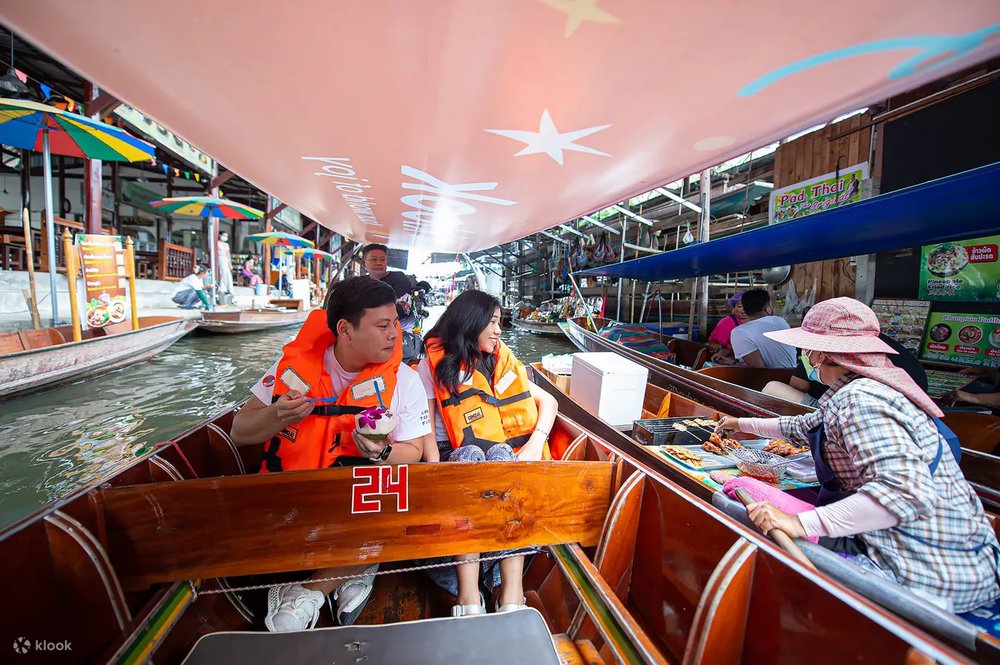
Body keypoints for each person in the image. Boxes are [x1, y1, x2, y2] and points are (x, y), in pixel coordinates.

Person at [716, 297, 999, 613]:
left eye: (809, 350)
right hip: (903, 545)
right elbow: (803, 425)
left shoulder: (862, 402)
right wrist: (739, 424)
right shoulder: (856, 389)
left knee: (755, 529)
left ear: (823, 354)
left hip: (928, 571)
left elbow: (903, 492)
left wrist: (800, 522)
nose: (806, 357)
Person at [230, 276, 431, 631]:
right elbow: (240, 432)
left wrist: (383, 451)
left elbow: (414, 451)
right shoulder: (291, 370)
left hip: (360, 508)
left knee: (397, 521)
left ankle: (309, 592)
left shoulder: (405, 380)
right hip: (292, 500)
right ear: (345, 329)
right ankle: (354, 570)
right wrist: (276, 414)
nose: (394, 335)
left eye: (396, 324)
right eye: (382, 325)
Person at [416, 290, 558, 616]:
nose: (498, 330)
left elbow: (549, 402)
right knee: (470, 458)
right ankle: (468, 599)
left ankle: (512, 594)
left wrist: (536, 442)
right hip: (453, 454)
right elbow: (425, 429)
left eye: (499, 322)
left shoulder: (497, 363)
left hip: (498, 454)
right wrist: (434, 472)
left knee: (502, 459)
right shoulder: (431, 367)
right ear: (470, 323)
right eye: (492, 322)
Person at [764, 333, 929, 407]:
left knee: (773, 387)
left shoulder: (856, 397)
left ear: (821, 356)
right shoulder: (878, 349)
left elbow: (798, 385)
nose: (807, 356)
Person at [728, 288, 796, 369]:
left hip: (771, 378)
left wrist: (733, 362)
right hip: (792, 375)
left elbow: (758, 367)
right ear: (767, 309)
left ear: (745, 311)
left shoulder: (739, 332)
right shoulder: (780, 321)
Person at [707, 293, 745, 359]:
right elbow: (714, 342)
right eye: (740, 306)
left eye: (747, 306)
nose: (743, 309)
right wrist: (717, 346)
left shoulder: (757, 320)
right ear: (734, 308)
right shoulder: (727, 321)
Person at [217, 230, 234, 295]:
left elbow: (228, 254)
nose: (225, 237)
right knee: (223, 273)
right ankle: (222, 289)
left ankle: (230, 289)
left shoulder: (226, 244)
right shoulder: (217, 243)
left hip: (225, 259)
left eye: (226, 236)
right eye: (224, 235)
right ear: (220, 235)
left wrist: (230, 264)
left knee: (228, 274)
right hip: (220, 258)